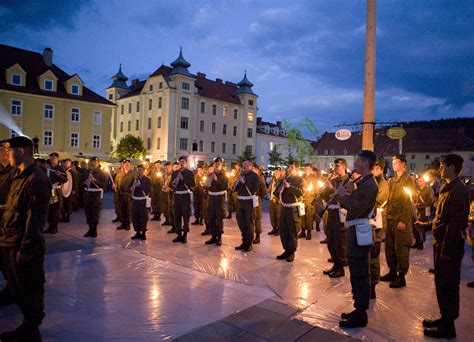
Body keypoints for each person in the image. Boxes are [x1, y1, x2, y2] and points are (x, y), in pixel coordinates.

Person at [0, 136, 51, 341]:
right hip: (10, 240)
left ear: (21, 152)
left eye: (8, 150)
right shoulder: (19, 175)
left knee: (29, 288)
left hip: (23, 245)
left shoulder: (37, 179)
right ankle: (28, 327)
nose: (6, 154)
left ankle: (31, 331)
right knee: (16, 286)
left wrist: (26, 249)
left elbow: (35, 219)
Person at [417, 154, 470, 339]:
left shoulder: (459, 191)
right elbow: (441, 219)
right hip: (441, 245)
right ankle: (444, 318)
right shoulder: (447, 188)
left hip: (449, 247)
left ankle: (448, 326)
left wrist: (446, 250)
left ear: (452, 167)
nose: (440, 168)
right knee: (441, 284)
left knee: (448, 285)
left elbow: (455, 224)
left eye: (443, 165)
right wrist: (426, 225)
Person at [337, 150, 378, 328]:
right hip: (357, 232)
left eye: (359, 160)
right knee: (357, 272)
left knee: (360, 273)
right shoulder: (364, 182)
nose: (355, 162)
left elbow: (354, 208)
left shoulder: (369, 184)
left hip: (360, 233)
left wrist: (343, 195)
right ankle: (358, 308)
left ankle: (361, 314)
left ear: (366, 163)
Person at [381, 154, 415, 288]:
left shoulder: (408, 181)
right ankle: (392, 271)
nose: (394, 164)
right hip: (390, 218)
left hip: (400, 219)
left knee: (401, 248)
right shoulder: (392, 180)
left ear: (403, 164)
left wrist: (404, 220)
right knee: (390, 247)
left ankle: (401, 277)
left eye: (396, 162)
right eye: (393, 163)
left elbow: (409, 202)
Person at [321, 158, 350, 278]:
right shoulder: (333, 180)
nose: (335, 168)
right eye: (335, 166)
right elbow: (324, 195)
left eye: (338, 166)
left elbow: (347, 198)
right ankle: (335, 264)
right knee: (330, 240)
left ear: (344, 167)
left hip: (341, 214)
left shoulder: (349, 182)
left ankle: (340, 268)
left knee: (340, 241)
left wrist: (332, 189)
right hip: (331, 212)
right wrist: (324, 192)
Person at [274, 162, 304, 262]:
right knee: (283, 230)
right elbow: (276, 193)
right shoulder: (285, 179)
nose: (289, 169)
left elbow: (301, 192)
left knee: (292, 231)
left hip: (293, 208)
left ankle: (291, 252)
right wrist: (280, 186)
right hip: (284, 207)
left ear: (296, 169)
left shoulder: (300, 180)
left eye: (292, 168)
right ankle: (286, 250)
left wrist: (289, 187)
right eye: (289, 167)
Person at [369, 157, 389, 299]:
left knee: (374, 255)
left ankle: (373, 285)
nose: (372, 170)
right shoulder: (375, 182)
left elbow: (375, 202)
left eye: (374, 167)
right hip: (372, 221)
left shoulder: (382, 184)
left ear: (380, 169)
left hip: (377, 223)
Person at [233, 159, 260, 252]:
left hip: (248, 202)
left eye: (247, 165)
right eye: (244, 165)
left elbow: (255, 189)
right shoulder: (241, 175)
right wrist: (237, 181)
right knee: (241, 222)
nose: (245, 167)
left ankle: (249, 242)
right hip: (240, 202)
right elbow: (234, 189)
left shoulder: (254, 176)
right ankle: (244, 241)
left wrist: (244, 182)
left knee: (249, 223)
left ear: (251, 166)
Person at [170, 156, 195, 243]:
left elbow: (192, 184)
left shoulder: (189, 173)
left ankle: (185, 235)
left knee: (185, 216)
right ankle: (178, 234)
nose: (182, 163)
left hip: (185, 195)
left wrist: (183, 179)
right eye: (180, 161)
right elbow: (171, 184)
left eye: (183, 161)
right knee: (176, 216)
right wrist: (172, 184)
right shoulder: (175, 173)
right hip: (177, 196)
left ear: (186, 162)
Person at [203, 158, 228, 246]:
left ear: (221, 164)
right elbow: (207, 185)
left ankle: (219, 237)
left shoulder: (223, 174)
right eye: (215, 163)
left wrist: (216, 180)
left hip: (219, 197)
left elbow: (224, 186)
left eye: (218, 163)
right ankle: (213, 236)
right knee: (211, 217)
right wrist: (205, 186)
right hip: (211, 197)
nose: (217, 165)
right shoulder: (211, 174)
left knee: (219, 218)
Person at [83, 157, 107, 238]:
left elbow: (104, 186)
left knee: (95, 213)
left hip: (96, 195)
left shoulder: (101, 173)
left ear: (98, 163)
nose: (93, 163)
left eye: (95, 162)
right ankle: (90, 229)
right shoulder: (87, 171)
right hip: (87, 193)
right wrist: (85, 182)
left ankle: (95, 230)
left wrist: (95, 180)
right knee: (88, 212)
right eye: (92, 161)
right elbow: (81, 182)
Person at [412, 176, 434, 250]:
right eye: (418, 181)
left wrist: (420, 204)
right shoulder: (417, 190)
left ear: (424, 181)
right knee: (415, 226)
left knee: (422, 227)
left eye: (420, 181)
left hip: (424, 211)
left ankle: (421, 243)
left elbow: (429, 202)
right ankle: (417, 241)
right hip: (417, 211)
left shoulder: (428, 190)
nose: (419, 182)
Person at [130, 165, 152, 240]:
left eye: (140, 170)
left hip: (143, 200)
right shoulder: (134, 179)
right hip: (135, 200)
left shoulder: (147, 180)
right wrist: (132, 187)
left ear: (143, 171)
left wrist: (140, 186)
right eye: (138, 170)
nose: (139, 171)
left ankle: (143, 233)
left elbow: (148, 190)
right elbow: (129, 188)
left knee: (143, 217)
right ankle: (137, 232)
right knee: (135, 216)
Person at [299, 164, 319, 240]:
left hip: (309, 199)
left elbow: (316, 190)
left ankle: (309, 232)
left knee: (309, 216)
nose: (306, 170)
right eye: (305, 168)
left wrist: (311, 193)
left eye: (308, 168)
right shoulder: (302, 178)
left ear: (311, 170)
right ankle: (303, 231)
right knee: (302, 215)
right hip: (302, 199)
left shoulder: (313, 178)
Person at [116, 159, 135, 231]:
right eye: (125, 164)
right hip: (120, 194)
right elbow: (117, 182)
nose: (126, 166)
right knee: (121, 209)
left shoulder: (133, 174)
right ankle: (123, 223)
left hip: (128, 194)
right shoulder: (120, 173)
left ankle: (127, 224)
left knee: (128, 210)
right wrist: (115, 185)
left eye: (128, 164)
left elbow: (133, 184)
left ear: (130, 166)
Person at [253, 164, 268, 244]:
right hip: (249, 200)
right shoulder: (250, 177)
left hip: (256, 199)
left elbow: (264, 191)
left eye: (254, 168)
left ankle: (258, 235)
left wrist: (258, 196)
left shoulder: (260, 178)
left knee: (257, 218)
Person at [268, 167, 283, 236]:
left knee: (278, 215)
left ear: (280, 172)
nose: (276, 172)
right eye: (275, 171)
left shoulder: (282, 180)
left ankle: (279, 229)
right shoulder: (272, 179)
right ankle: (274, 228)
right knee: (272, 215)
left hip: (277, 200)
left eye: (277, 171)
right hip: (271, 199)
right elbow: (270, 188)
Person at [60, 158, 77, 223]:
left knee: (68, 204)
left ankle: (68, 217)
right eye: (65, 162)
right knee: (63, 204)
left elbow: (75, 182)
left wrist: (74, 190)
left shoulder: (72, 172)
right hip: (63, 189)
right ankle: (63, 216)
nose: (66, 164)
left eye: (68, 162)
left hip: (70, 190)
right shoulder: (62, 171)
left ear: (70, 164)